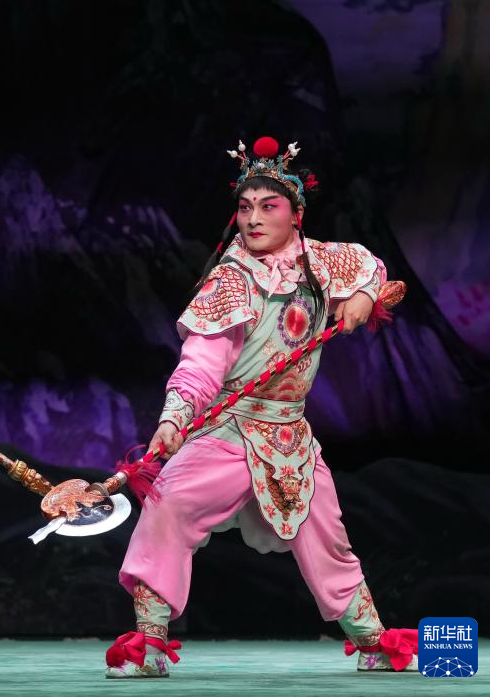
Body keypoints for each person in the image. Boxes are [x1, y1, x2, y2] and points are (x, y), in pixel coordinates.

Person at [105, 137, 417, 678]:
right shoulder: (232, 280)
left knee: (328, 539)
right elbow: (201, 362)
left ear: (296, 214)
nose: (253, 218)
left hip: (290, 436)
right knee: (167, 504)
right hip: (228, 428)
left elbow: (369, 265)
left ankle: (373, 643)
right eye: (245, 207)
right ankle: (149, 645)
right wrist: (175, 418)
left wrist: (363, 297)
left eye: (268, 206)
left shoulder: (321, 262)